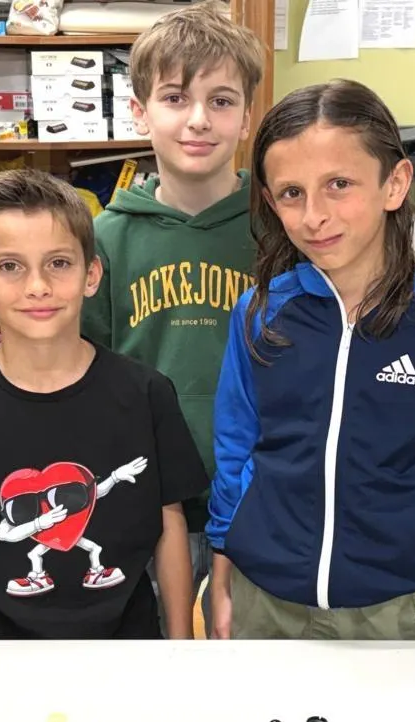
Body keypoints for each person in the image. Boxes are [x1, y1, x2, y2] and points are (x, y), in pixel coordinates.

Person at [207, 79, 415, 642]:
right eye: (292, 193)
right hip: (263, 595)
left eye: (339, 185)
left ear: (394, 183)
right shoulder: (259, 312)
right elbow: (236, 445)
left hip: (395, 606)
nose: (314, 216)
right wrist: (223, 561)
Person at [0, 168, 204, 641]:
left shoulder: (147, 394)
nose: (37, 286)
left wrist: (180, 648)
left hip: (127, 648)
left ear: (91, 274)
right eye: (10, 266)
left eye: (58, 263)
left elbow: (169, 526)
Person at [81, 0, 265, 635]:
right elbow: (88, 371)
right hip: (150, 498)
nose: (198, 119)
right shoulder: (106, 238)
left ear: (247, 117)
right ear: (140, 112)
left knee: (250, 653)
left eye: (221, 100)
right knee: (157, 653)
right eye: (175, 98)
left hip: (258, 493)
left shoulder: (281, 231)